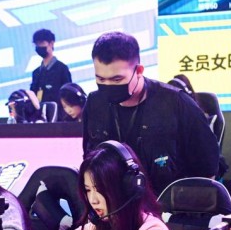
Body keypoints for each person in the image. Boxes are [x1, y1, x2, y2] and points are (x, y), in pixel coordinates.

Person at [83, 32, 219, 195]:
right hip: (114, 200)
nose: (108, 85)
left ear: (139, 70)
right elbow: (90, 159)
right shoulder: (94, 103)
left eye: (117, 80)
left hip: (166, 201)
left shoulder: (176, 103)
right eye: (101, 79)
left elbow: (207, 169)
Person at [23, 141, 179, 230]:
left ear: (126, 188)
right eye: (88, 190)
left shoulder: (151, 229)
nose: (93, 200)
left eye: (100, 190)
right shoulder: (97, 228)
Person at [30, 29, 72, 110]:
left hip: (60, 114)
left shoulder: (62, 69)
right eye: (37, 44)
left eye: (41, 43)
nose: (39, 47)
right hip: (41, 114)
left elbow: (68, 94)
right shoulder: (36, 73)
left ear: (51, 43)